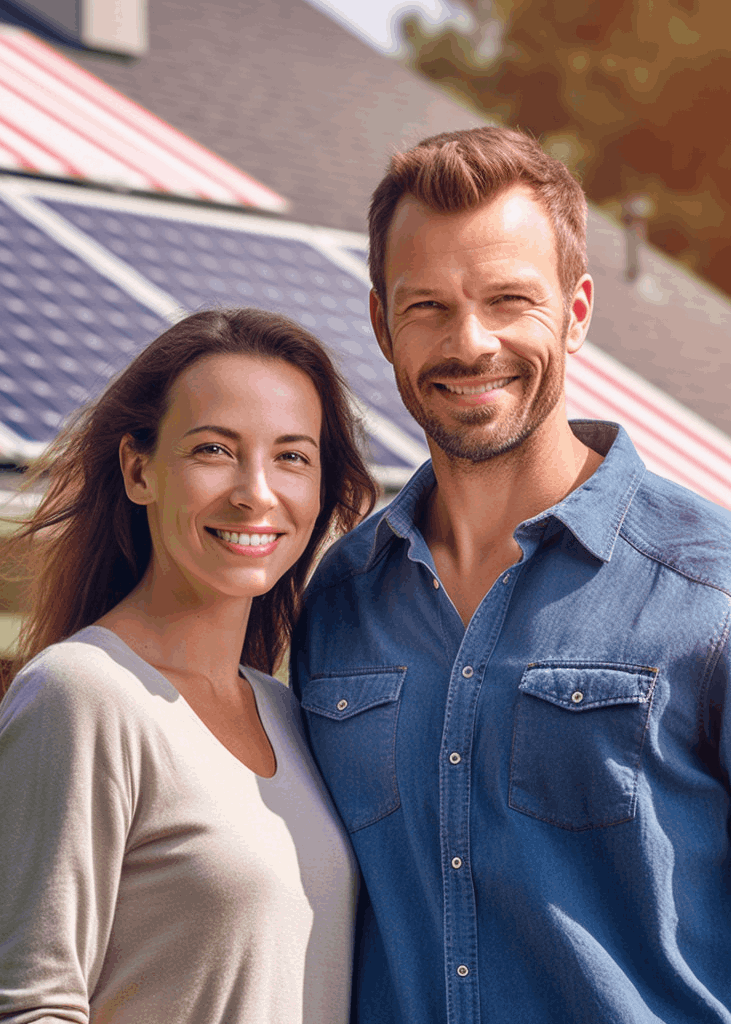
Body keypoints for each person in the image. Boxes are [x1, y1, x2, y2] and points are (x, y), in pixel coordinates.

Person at [293, 126, 731, 1024]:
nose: (471, 342)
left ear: (574, 312)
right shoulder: (336, 600)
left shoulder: (712, 591)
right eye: (428, 307)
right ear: (380, 324)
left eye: (508, 299)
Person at [0, 308, 377, 1023]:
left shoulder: (286, 711)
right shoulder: (82, 694)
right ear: (139, 470)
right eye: (215, 450)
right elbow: (23, 1009)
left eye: (292, 456)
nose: (256, 490)